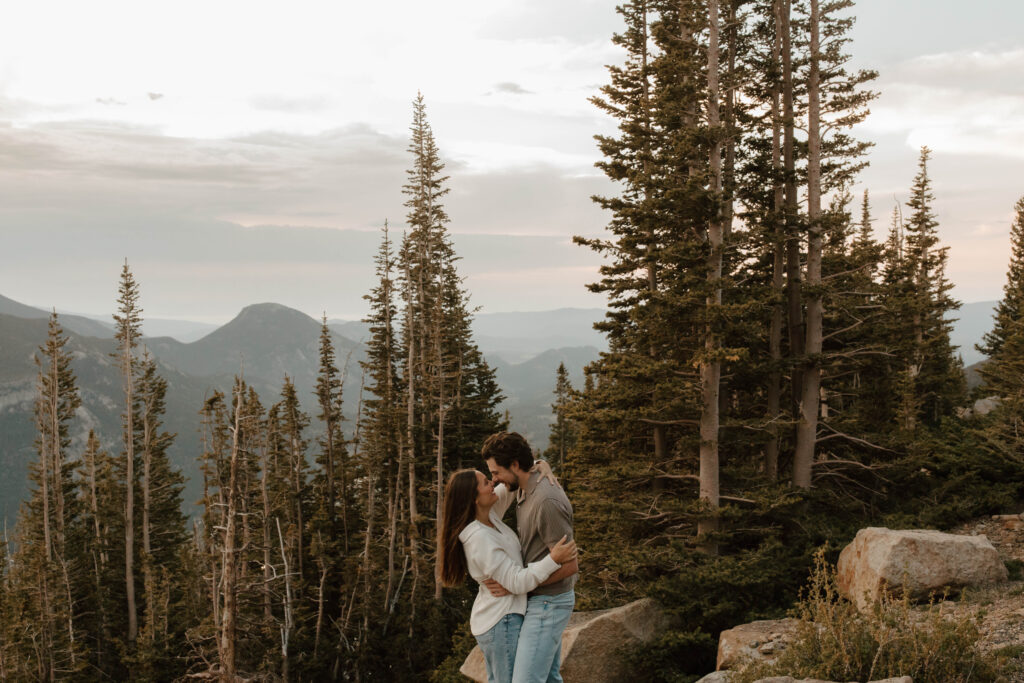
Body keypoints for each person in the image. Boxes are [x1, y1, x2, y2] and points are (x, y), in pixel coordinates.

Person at [438, 465, 577, 683]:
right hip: (502, 622)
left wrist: (540, 464)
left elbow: (513, 479)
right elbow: (517, 582)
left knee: (548, 677)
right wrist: (553, 560)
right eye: (486, 482)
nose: (493, 483)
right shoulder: (479, 538)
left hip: (505, 615)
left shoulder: (489, 515)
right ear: (473, 498)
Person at [482, 432, 578, 683]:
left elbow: (570, 566)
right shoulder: (523, 487)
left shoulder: (545, 500)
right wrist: (539, 463)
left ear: (514, 465)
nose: (495, 481)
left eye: (495, 472)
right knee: (547, 678)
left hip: (550, 603)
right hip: (539, 600)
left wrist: (518, 584)